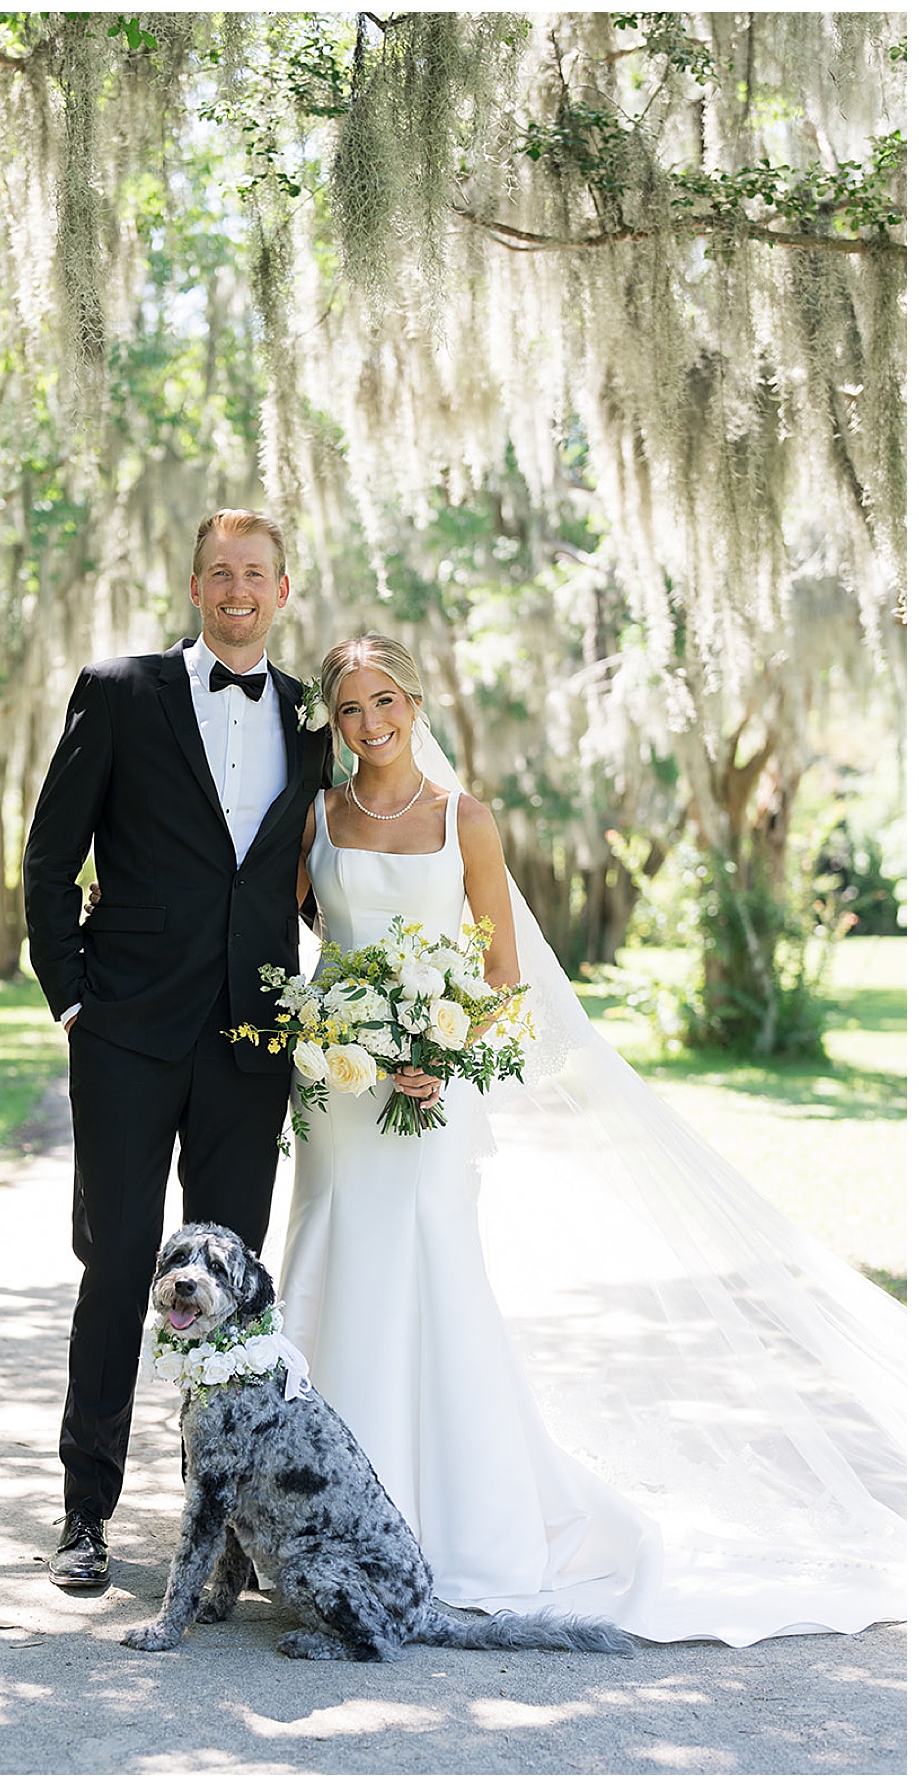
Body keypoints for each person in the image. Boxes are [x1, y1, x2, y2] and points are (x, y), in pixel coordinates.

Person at [278, 633, 905, 1646]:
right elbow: (280, 928)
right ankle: (318, 1526)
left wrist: (445, 1051)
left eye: (383, 700)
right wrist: (330, 1027)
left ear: (414, 700)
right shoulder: (320, 815)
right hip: (343, 1097)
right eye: (348, 709)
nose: (369, 724)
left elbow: (503, 984)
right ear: (334, 722)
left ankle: (457, 1526)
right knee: (332, 1262)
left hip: (433, 1096)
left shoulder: (463, 820)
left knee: (431, 1279)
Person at [23, 509, 328, 1589]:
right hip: (126, 1033)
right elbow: (51, 857)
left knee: (232, 1283)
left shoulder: (312, 714)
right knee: (117, 1269)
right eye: (219, 572)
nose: (238, 589)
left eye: (256, 574)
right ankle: (85, 1514)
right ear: (194, 584)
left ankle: (228, 1528)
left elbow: (320, 878)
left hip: (251, 1039)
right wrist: (72, 999)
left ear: (283, 591)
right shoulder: (117, 691)